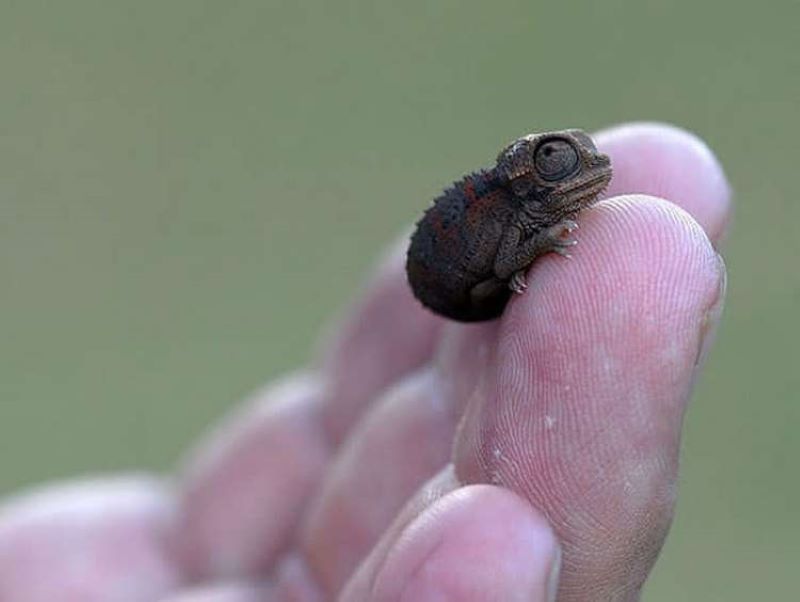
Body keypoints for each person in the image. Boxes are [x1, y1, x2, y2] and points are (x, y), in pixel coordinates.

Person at [0, 123, 730, 601]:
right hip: (448, 279)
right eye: (558, 162)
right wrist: (531, 254)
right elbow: (506, 255)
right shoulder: (510, 212)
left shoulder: (519, 206)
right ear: (527, 176)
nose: (584, 173)